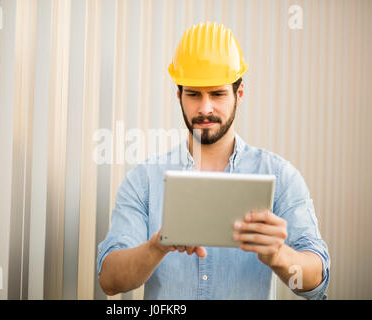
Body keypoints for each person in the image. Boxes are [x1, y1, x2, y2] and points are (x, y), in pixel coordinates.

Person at [97, 22, 330, 300]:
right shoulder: (144, 179)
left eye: (217, 93)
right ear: (179, 96)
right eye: (194, 94)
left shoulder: (280, 176)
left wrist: (278, 254)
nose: (205, 108)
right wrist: (157, 247)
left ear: (238, 94)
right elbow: (110, 281)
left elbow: (316, 281)